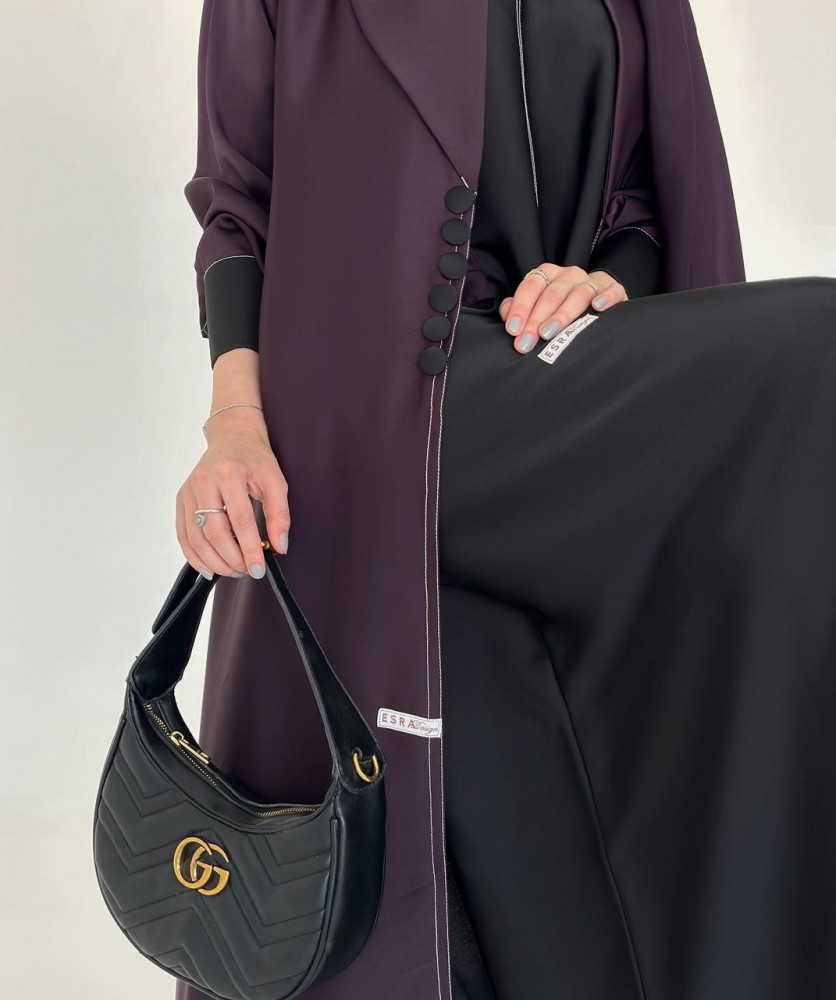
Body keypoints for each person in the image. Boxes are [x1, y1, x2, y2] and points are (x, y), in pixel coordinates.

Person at [175, 1, 836, 998]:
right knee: (815, 347)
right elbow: (238, 205)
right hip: (368, 415)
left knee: (546, 873)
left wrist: (600, 281)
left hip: (547, 379)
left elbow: (641, 200)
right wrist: (234, 423)